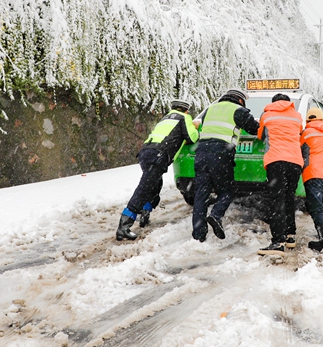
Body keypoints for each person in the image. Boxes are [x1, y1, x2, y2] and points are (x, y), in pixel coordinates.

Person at [116, 100, 199, 241]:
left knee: (154, 184)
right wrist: (194, 127)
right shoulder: (184, 118)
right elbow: (192, 138)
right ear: (186, 110)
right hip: (158, 155)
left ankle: (145, 213)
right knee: (144, 188)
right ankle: (124, 226)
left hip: (146, 153)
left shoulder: (165, 118)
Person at [191, 88, 259, 242]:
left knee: (201, 193)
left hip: (201, 151)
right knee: (227, 190)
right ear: (240, 100)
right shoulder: (238, 110)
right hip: (220, 152)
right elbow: (254, 128)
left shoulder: (210, 109)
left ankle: (199, 235)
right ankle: (216, 215)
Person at [256, 93, 303, 256]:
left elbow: (260, 135)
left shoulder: (267, 115)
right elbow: (299, 133)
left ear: (273, 103)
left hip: (276, 160)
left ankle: (278, 242)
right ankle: (290, 236)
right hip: (295, 162)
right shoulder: (297, 116)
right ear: (288, 103)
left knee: (277, 199)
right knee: (289, 197)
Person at [300, 107, 323, 252]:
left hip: (314, 172)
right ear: (322, 119)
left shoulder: (306, 133)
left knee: (317, 207)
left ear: (308, 120)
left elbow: (301, 149)